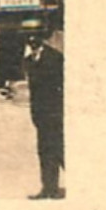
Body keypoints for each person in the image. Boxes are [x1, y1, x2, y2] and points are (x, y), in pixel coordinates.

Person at [23, 29, 64, 199]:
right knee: (45, 151)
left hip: (55, 113)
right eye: (29, 39)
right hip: (40, 115)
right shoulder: (29, 60)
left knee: (61, 151)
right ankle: (49, 188)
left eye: (35, 38)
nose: (32, 41)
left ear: (42, 39)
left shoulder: (55, 58)